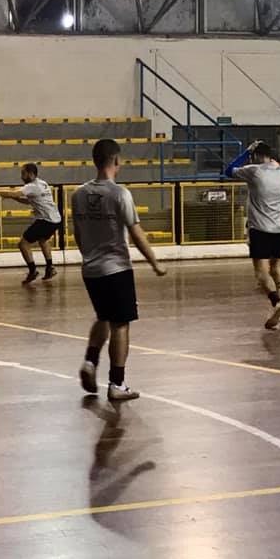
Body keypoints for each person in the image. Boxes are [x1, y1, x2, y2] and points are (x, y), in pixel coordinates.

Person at [73, 139, 167, 402]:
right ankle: (117, 383)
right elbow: (136, 233)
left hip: (91, 269)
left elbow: (78, 233)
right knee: (120, 325)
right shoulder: (119, 194)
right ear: (116, 160)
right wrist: (155, 263)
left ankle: (90, 361)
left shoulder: (78, 194)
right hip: (116, 269)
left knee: (103, 316)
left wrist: (89, 256)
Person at [225, 141, 280, 329]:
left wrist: (247, 152)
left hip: (260, 229)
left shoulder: (254, 171)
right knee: (276, 268)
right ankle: (276, 312)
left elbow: (228, 171)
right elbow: (274, 165)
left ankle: (277, 302)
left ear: (256, 156)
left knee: (261, 272)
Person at [0, 163, 62, 284]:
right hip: (55, 219)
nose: (21, 176)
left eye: (23, 173)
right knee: (43, 240)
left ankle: (33, 271)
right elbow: (29, 201)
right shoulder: (42, 183)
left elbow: (13, 192)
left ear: (31, 174)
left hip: (46, 220)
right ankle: (50, 267)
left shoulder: (31, 186)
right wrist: (14, 198)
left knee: (23, 244)